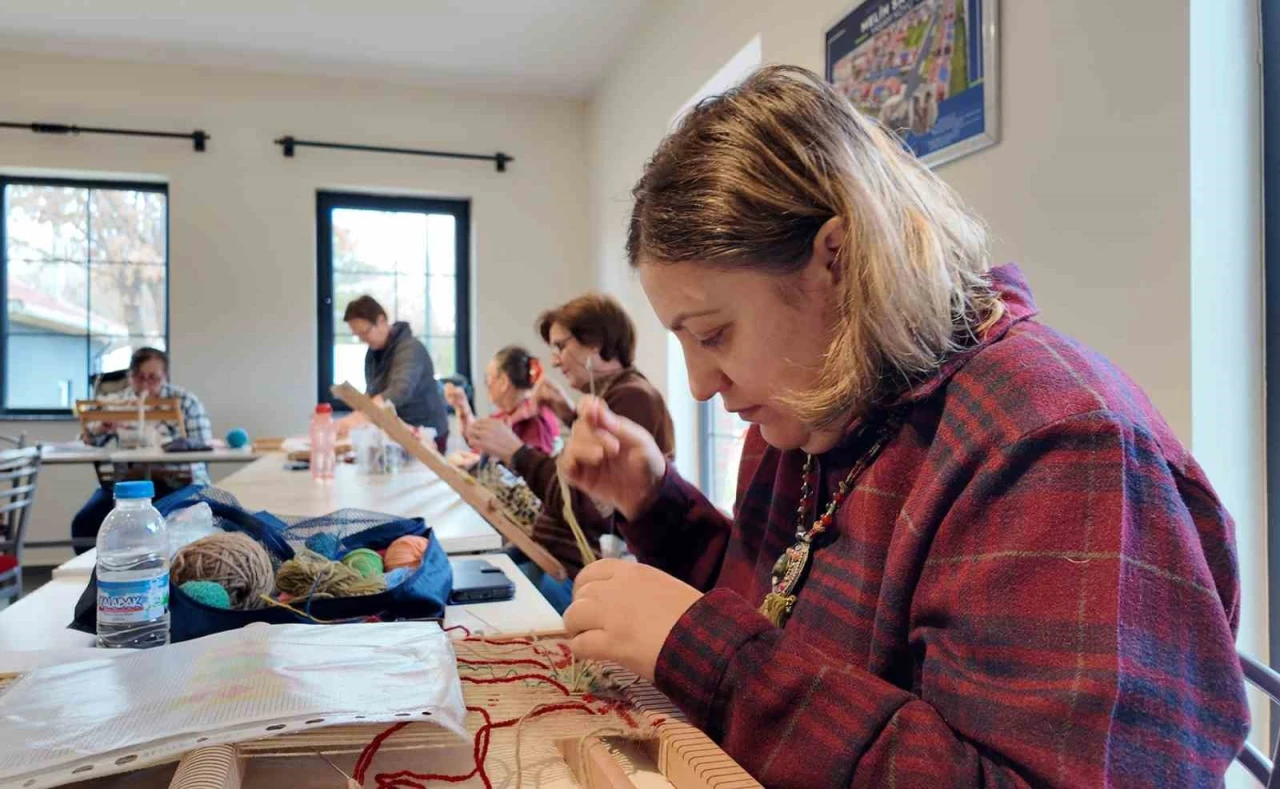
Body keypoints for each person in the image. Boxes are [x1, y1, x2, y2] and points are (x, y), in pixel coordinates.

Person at [558, 67, 1248, 787]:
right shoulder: (813, 411)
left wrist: (710, 656)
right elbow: (776, 609)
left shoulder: (1055, 447)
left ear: (840, 259)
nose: (700, 384)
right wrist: (655, 502)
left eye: (714, 333)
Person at [465, 294, 674, 611]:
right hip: (554, 555)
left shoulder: (633, 398)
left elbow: (589, 502)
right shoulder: (619, 393)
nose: (555, 360)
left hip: (573, 570)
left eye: (562, 346)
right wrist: (569, 416)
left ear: (594, 344)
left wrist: (517, 453)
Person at [71, 347, 213, 553]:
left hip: (179, 483)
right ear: (130, 376)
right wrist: (101, 428)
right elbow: (86, 442)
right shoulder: (119, 402)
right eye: (139, 377)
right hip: (129, 484)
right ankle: (96, 575)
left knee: (164, 524)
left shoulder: (185, 402)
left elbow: (203, 447)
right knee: (85, 522)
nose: (145, 384)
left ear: (165, 376)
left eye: (153, 378)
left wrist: (169, 442)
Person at [338, 295, 449, 451]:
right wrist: (355, 416)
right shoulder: (373, 353)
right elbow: (372, 393)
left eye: (365, 332)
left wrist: (362, 415)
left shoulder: (410, 349)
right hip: (398, 432)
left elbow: (400, 389)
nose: (363, 339)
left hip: (426, 432)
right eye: (358, 336)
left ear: (381, 321)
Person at [444, 345, 559, 459]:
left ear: (504, 382)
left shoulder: (533, 420)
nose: (487, 386)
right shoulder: (508, 414)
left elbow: (532, 470)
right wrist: (462, 407)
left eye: (488, 379)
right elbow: (478, 440)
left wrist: (478, 462)